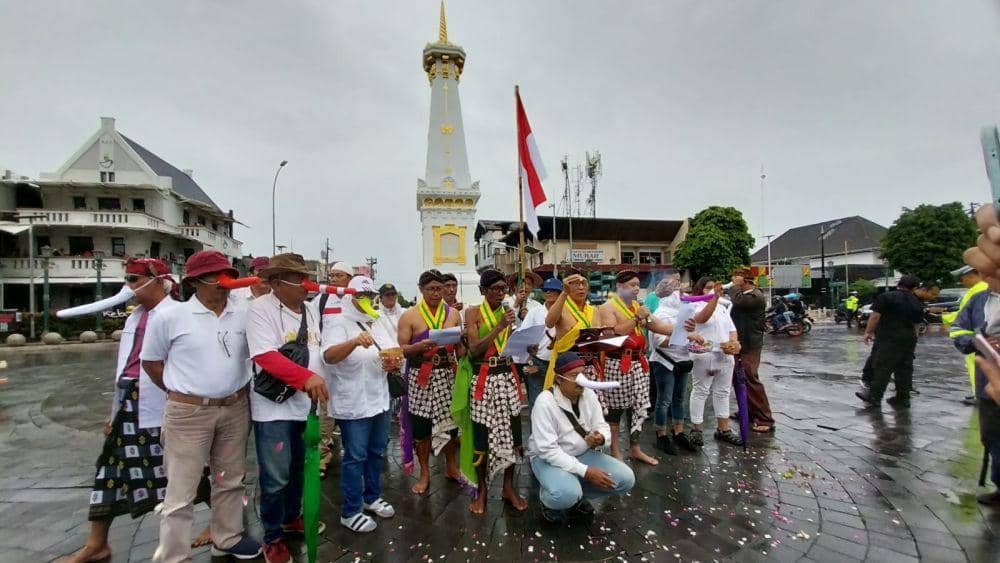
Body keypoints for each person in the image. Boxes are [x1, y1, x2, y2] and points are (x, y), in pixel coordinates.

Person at [140, 250, 262, 562]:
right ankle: (173, 555)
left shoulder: (243, 313)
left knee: (230, 478)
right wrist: (181, 392)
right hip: (189, 412)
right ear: (195, 282)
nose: (224, 283)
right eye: (215, 277)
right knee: (182, 487)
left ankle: (227, 537)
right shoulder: (171, 316)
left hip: (234, 406)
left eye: (229, 276)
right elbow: (152, 362)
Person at [63, 259, 179, 563]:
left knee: (186, 471)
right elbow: (125, 365)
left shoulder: (176, 315)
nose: (128, 285)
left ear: (157, 280)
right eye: (127, 279)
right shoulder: (134, 318)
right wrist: (113, 410)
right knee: (109, 469)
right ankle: (97, 542)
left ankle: (220, 529)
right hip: (129, 401)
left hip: (165, 402)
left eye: (134, 278)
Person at [246, 253, 331, 562]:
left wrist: (320, 379)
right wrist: (305, 377)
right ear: (277, 283)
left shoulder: (309, 309)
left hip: (302, 406)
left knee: (299, 467)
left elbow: (316, 351)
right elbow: (265, 356)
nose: (304, 284)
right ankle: (272, 537)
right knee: (276, 474)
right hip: (273, 409)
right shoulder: (260, 310)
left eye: (304, 277)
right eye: (297, 279)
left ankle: (291, 517)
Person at [322, 276, 396, 531]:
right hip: (352, 401)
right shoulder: (338, 321)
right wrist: (353, 342)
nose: (365, 300)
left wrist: (393, 360)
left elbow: (393, 350)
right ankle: (350, 510)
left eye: (369, 296)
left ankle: (371, 497)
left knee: (376, 452)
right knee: (355, 456)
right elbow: (329, 356)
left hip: (379, 398)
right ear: (350, 296)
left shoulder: (378, 320)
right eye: (360, 296)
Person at [527, 352, 636, 524]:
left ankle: (576, 495)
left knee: (625, 478)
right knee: (565, 494)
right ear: (559, 379)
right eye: (574, 375)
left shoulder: (588, 395)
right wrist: (586, 472)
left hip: (581, 453)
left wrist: (601, 438)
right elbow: (548, 450)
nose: (581, 379)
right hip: (548, 458)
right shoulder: (544, 402)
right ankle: (551, 501)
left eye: (583, 374)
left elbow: (601, 425)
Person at [463, 269, 529, 514]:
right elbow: (474, 350)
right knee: (482, 436)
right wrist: (501, 326)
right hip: (483, 379)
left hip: (507, 376)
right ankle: (482, 491)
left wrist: (526, 345)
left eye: (504, 289)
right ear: (483, 291)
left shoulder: (509, 313)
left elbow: (511, 347)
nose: (501, 293)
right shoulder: (472, 313)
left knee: (513, 436)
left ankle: (508, 488)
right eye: (496, 289)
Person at [397, 269, 463, 494]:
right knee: (422, 428)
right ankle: (424, 472)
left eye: (440, 289)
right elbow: (402, 349)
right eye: (431, 289)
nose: (436, 293)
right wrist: (416, 347)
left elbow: (460, 346)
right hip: (421, 376)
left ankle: (451, 466)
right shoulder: (410, 316)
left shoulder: (453, 313)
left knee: (452, 425)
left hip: (447, 374)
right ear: (421, 290)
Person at [595, 270, 663, 465]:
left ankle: (635, 449)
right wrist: (635, 318)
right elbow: (613, 336)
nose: (636, 288)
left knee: (637, 407)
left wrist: (684, 330)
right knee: (615, 411)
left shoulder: (636, 306)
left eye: (637, 284)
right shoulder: (607, 307)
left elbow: (657, 326)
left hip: (638, 363)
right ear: (619, 286)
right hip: (617, 363)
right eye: (632, 285)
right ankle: (615, 450)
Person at [947, 286, 1000, 505]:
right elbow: (958, 329)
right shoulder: (979, 299)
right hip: (989, 381)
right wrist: (978, 342)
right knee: (993, 436)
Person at [686, 277, 742, 447]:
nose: (711, 290)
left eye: (714, 288)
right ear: (700, 290)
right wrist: (714, 298)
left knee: (723, 392)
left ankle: (723, 429)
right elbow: (702, 318)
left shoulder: (722, 308)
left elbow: (732, 329)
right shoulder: (693, 305)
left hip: (724, 354)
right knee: (701, 391)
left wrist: (734, 343)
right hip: (704, 354)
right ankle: (696, 428)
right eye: (708, 288)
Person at [856, 275, 924, 409]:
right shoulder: (917, 302)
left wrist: (868, 332)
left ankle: (875, 397)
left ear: (899, 284)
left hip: (889, 338)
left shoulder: (887, 297)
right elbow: (917, 324)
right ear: (914, 288)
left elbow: (875, 316)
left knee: (883, 368)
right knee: (904, 370)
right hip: (908, 339)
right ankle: (903, 399)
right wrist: (913, 339)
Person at [649, 275, 698, 454]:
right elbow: (658, 341)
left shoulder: (683, 314)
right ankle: (661, 434)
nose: (682, 295)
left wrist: (692, 340)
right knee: (664, 400)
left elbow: (692, 333)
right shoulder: (659, 315)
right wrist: (684, 338)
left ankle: (678, 431)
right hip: (664, 362)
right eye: (678, 291)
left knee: (679, 399)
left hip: (682, 361)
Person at [314, 261, 353, 479]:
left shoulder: (356, 300)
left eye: (339, 275)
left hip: (351, 367)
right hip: (328, 364)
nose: (334, 279)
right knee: (325, 411)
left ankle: (353, 452)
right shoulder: (321, 300)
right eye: (332, 275)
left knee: (349, 409)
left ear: (348, 279)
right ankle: (322, 457)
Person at [728, 267, 774, 433]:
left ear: (745, 279)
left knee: (749, 377)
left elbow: (739, 302)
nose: (733, 279)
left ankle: (765, 418)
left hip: (751, 344)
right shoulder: (743, 296)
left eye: (736, 277)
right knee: (737, 377)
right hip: (740, 343)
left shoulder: (755, 296)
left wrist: (733, 287)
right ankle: (746, 411)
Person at [945, 265, 990, 404]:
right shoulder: (976, 290)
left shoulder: (980, 291)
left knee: (981, 369)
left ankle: (982, 395)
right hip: (974, 340)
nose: (962, 282)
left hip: (975, 340)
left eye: (963, 279)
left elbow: (978, 320)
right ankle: (978, 392)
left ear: (973, 275)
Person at [520, 277, 563, 410]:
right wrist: (529, 363)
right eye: (546, 290)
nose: (549, 293)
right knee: (537, 403)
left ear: (560, 293)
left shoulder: (566, 311)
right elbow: (524, 337)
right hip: (539, 361)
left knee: (559, 403)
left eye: (553, 290)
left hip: (559, 362)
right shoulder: (535, 312)